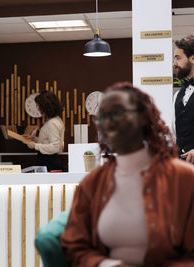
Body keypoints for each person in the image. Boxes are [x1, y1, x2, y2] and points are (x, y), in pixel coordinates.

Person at [61, 82, 194, 267]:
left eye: (118, 113)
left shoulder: (185, 179)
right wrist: (106, 264)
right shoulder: (93, 183)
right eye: (102, 117)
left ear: (143, 117)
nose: (108, 123)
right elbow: (74, 244)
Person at [23, 91, 65, 171]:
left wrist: (35, 146)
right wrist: (33, 138)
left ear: (46, 107)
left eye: (39, 106)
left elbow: (55, 147)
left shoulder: (52, 123)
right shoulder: (56, 120)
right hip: (49, 161)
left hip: (49, 162)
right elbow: (47, 141)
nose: (38, 109)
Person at [172, 35, 194, 163]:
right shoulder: (178, 95)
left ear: (193, 58)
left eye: (178, 58)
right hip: (182, 168)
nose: (174, 63)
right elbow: (174, 133)